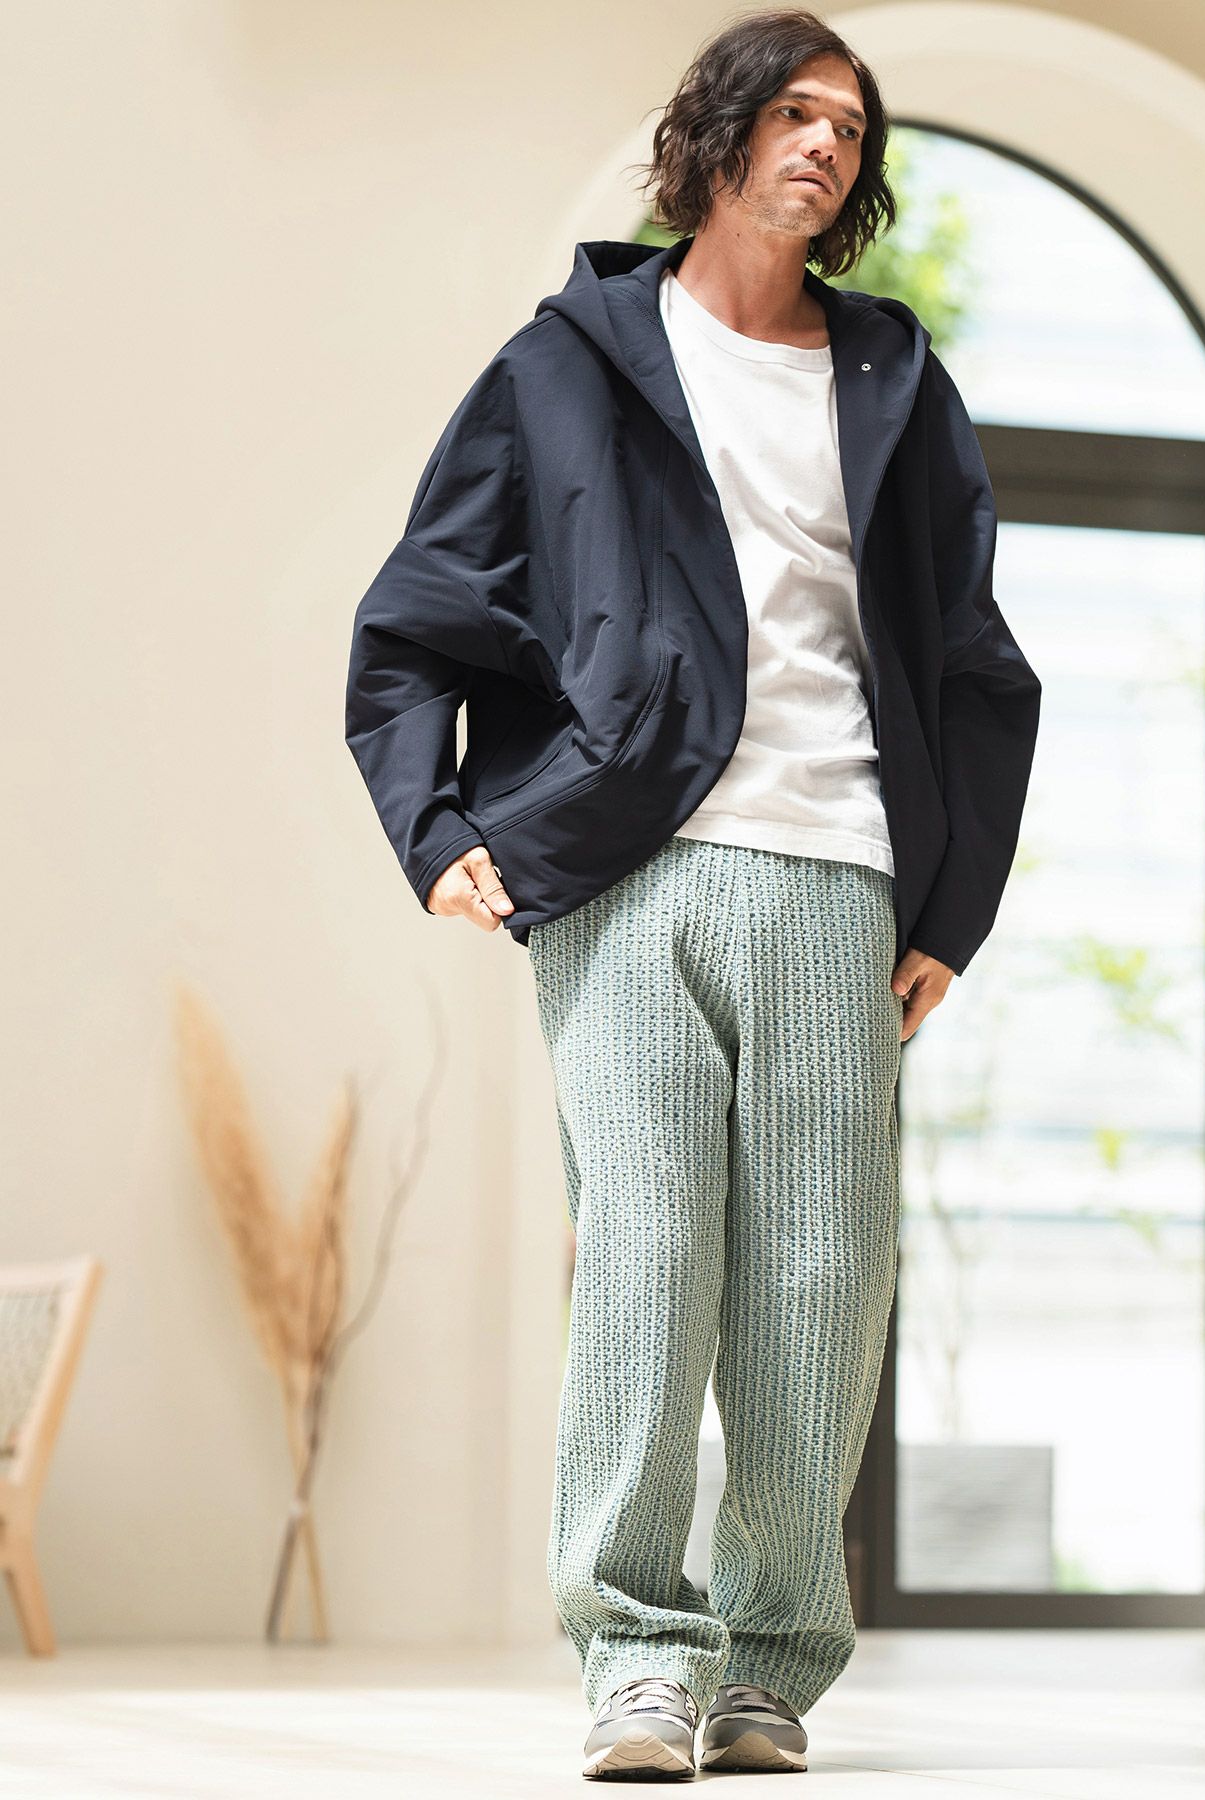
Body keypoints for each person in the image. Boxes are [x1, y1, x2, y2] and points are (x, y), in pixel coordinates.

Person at [344, 7, 1041, 1780]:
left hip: (839, 870)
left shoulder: (893, 378)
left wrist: (951, 912)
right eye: (795, 113)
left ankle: (773, 1665)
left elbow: (976, 660)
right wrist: (436, 825)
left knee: (820, 1280)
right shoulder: (566, 363)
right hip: (621, 868)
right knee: (646, 1261)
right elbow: (421, 612)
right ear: (717, 136)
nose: (825, 146)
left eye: (850, 128)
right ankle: (636, 1659)